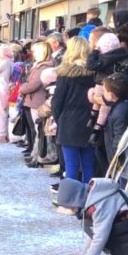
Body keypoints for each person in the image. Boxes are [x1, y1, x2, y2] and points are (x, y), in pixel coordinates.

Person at [51, 37, 96, 184]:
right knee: (88, 166)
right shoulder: (94, 73)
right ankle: (88, 200)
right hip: (90, 120)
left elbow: (57, 102)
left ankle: (71, 201)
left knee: (71, 166)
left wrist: (59, 120)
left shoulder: (65, 74)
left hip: (69, 122)